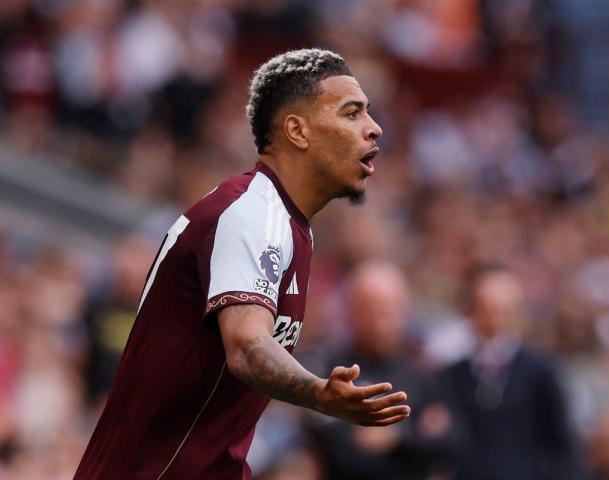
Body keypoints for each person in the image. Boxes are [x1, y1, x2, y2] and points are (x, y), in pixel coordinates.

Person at [74, 48, 411, 480]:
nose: (374, 127)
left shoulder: (291, 226)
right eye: (352, 113)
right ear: (297, 131)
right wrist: (319, 394)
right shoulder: (253, 214)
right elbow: (248, 348)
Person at [307, 260, 459, 480]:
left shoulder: (421, 372)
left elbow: (451, 443)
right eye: (372, 310)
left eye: (392, 310)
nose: (384, 321)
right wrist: (418, 432)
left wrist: (399, 437)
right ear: (352, 312)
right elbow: (338, 450)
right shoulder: (332, 370)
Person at [439, 264, 588, 480]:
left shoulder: (540, 371)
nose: (493, 318)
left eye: (502, 310)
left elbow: (563, 440)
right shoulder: (452, 376)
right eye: (484, 308)